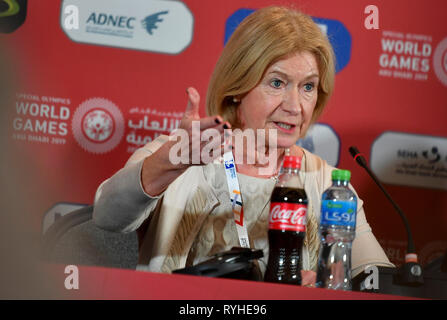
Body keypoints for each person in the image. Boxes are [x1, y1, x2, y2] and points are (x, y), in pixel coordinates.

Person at [93, 6, 394, 285]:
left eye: (308, 87)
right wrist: (172, 161)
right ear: (238, 86)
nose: (295, 106)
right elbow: (107, 216)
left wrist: (324, 287)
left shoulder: (328, 184)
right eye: (277, 83)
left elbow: (377, 278)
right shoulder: (180, 153)